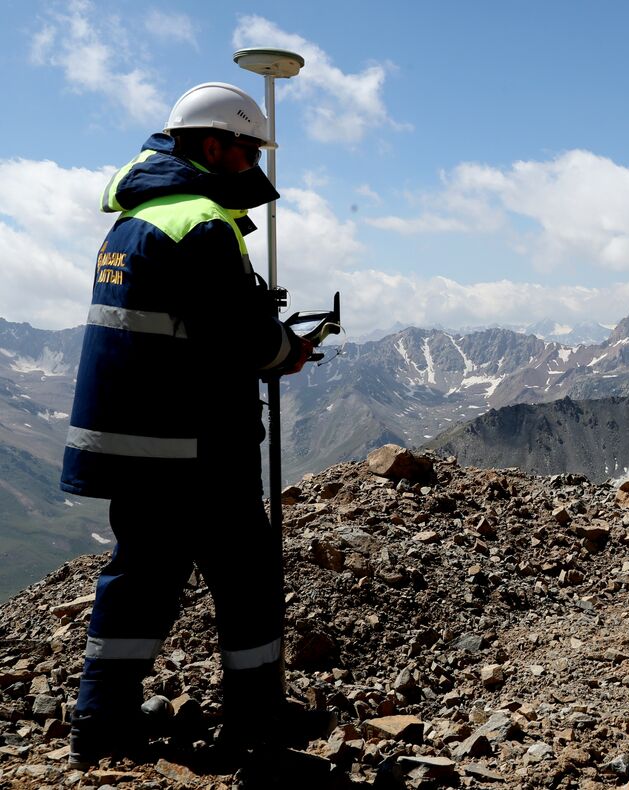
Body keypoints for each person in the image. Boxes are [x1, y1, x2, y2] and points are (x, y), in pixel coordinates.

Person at [60, 81, 314, 767]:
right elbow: (238, 335)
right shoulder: (202, 221)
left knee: (140, 576)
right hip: (195, 445)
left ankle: (101, 719)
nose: (254, 164)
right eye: (249, 149)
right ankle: (256, 722)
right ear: (214, 145)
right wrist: (287, 351)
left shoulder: (135, 220)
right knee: (246, 576)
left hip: (139, 444)